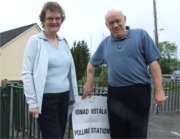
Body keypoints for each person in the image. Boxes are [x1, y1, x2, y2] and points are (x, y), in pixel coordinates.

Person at [82, 9, 166, 139]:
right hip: (115, 94)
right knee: (117, 134)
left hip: (139, 92)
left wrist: (159, 91)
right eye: (111, 23)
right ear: (106, 25)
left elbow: (154, 64)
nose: (115, 25)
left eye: (117, 21)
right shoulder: (105, 44)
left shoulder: (141, 35)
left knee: (137, 134)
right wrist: (89, 82)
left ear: (124, 19)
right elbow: (91, 64)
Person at [22, 1, 79, 138]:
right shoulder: (35, 41)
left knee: (59, 134)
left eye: (57, 18)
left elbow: (69, 72)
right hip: (46, 100)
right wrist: (32, 102)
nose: (54, 21)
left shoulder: (64, 42)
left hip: (64, 98)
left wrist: (71, 95)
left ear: (61, 20)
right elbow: (27, 73)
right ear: (43, 20)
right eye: (50, 18)